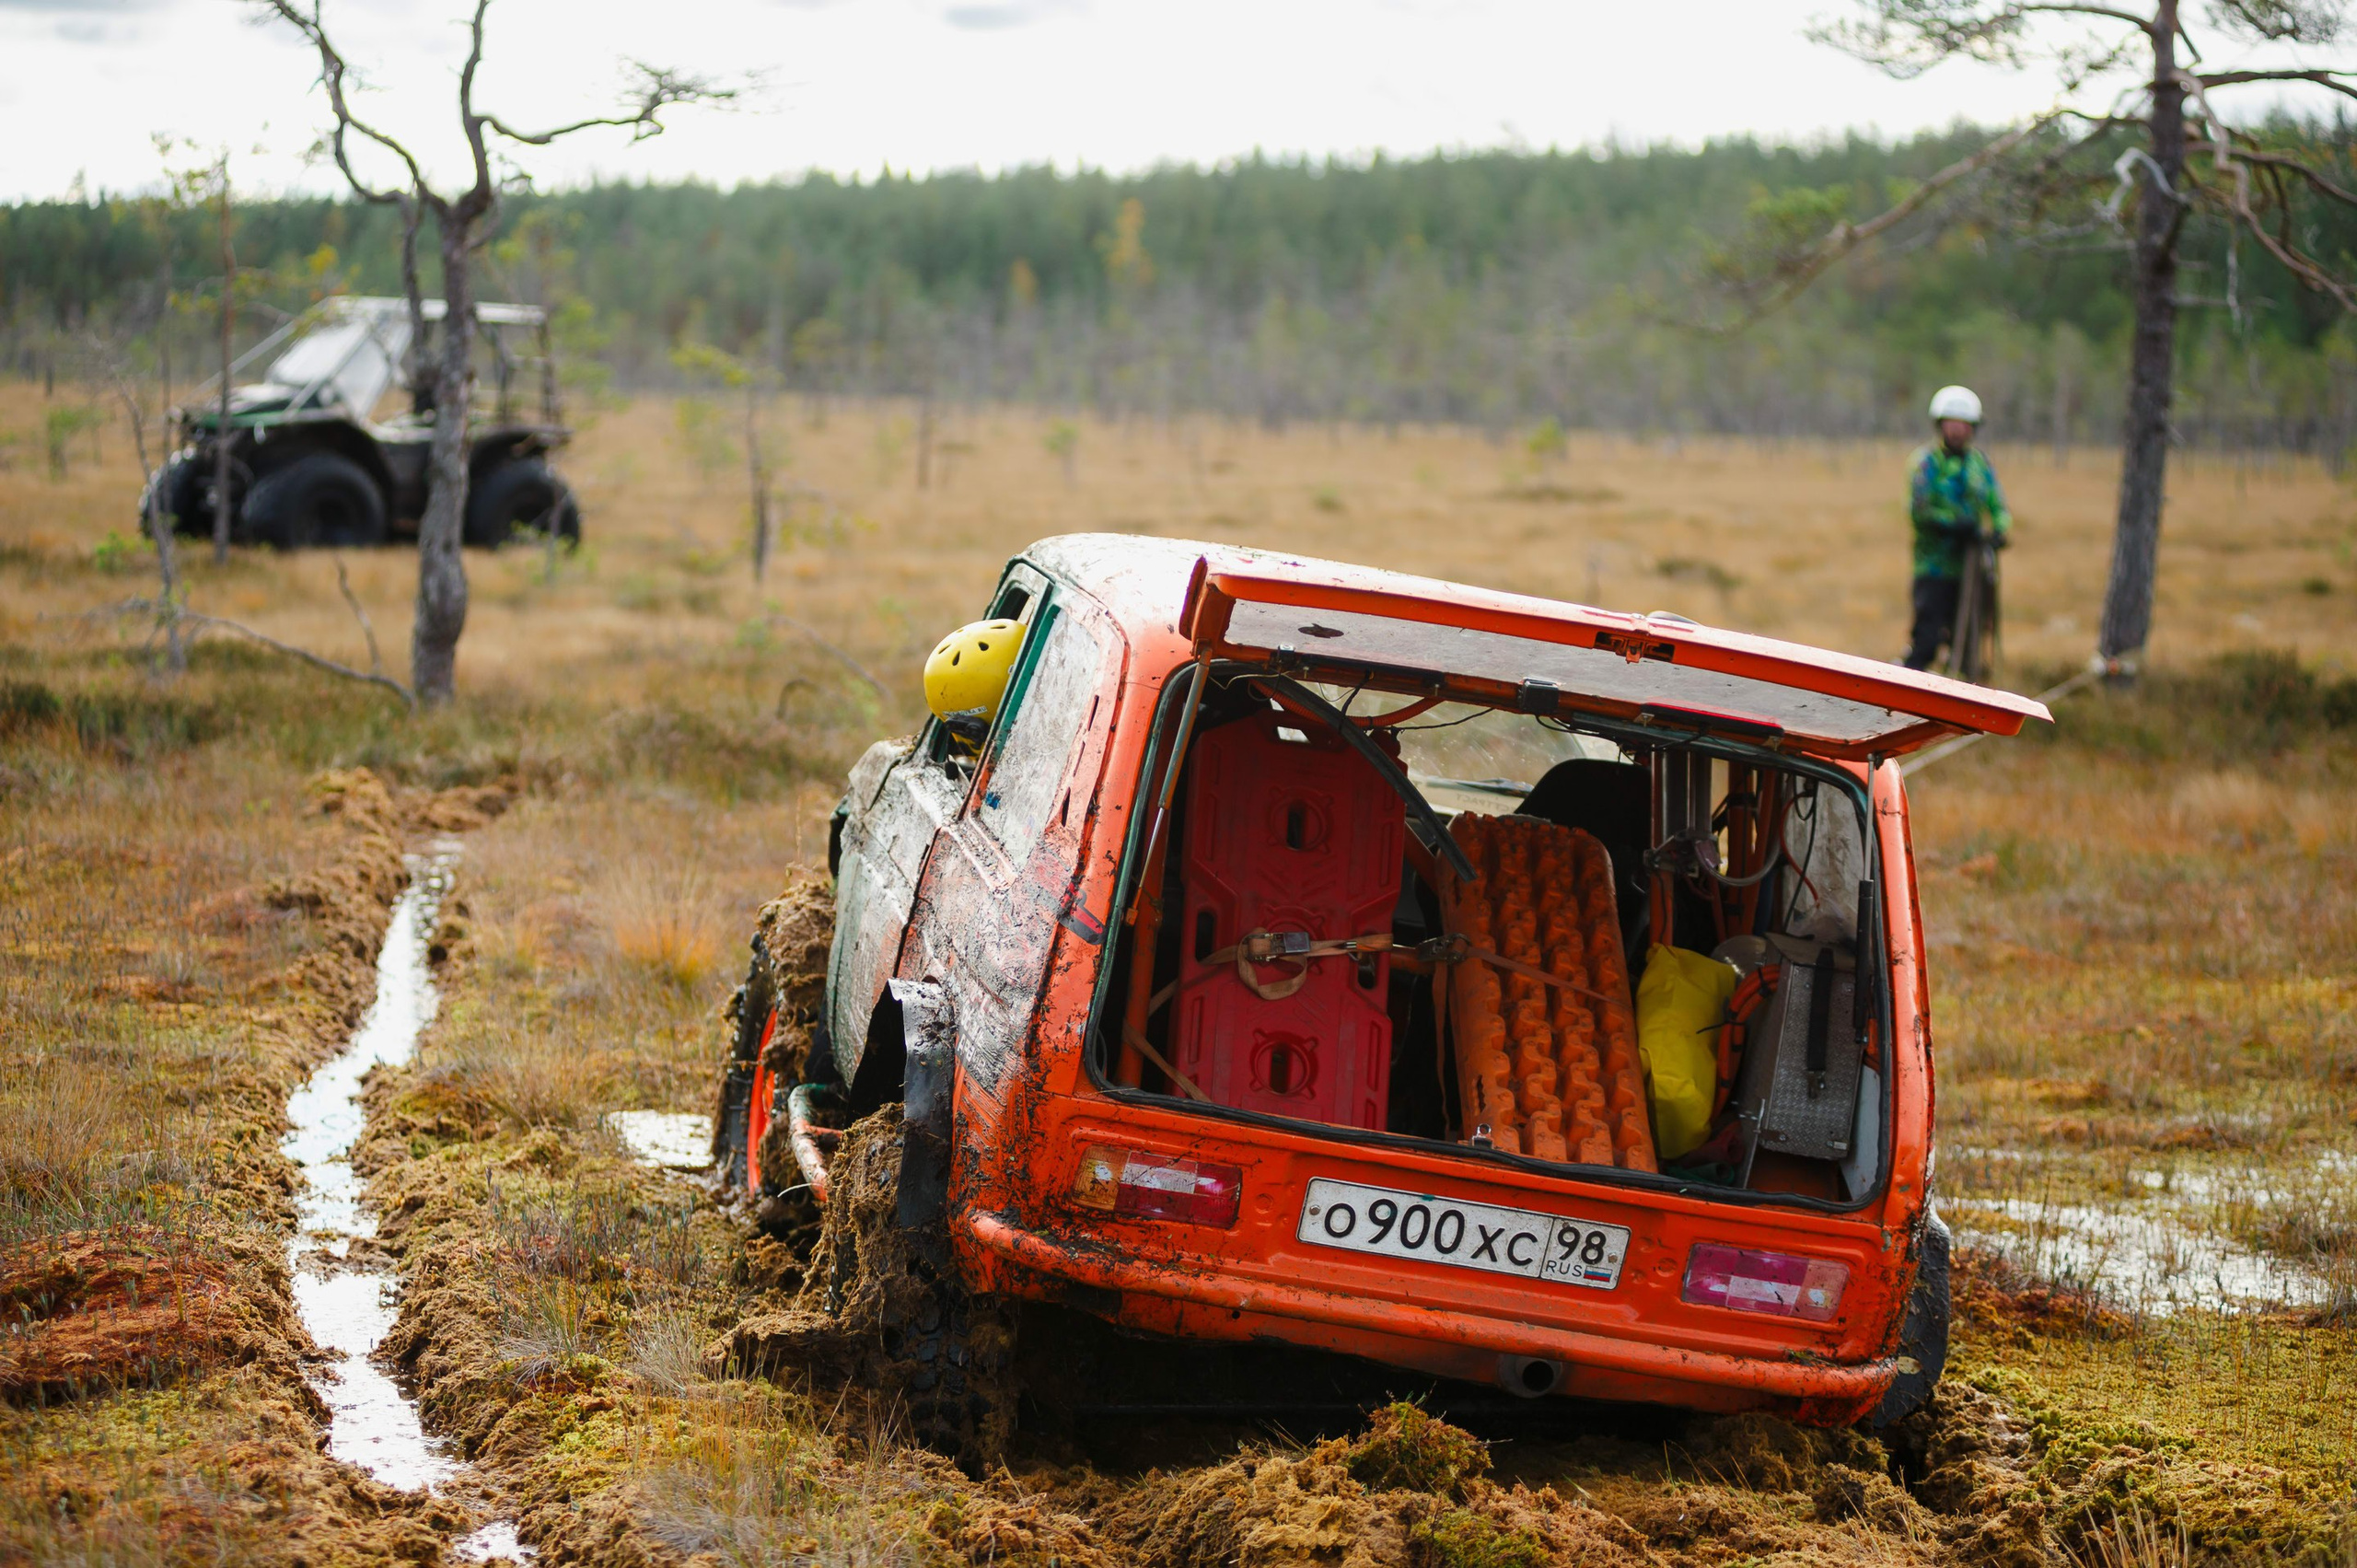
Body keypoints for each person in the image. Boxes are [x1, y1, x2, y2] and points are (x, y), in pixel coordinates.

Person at [1903, 385, 2012, 671]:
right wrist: (1954, 526)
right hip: (1933, 568)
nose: (1957, 431)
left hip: (1971, 570)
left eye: (1963, 425)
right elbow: (1919, 511)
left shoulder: (1980, 464)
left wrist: (1998, 530)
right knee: (1926, 641)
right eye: (1952, 424)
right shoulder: (1925, 463)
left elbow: (1998, 505)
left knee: (1969, 644)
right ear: (1940, 425)